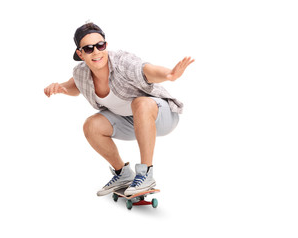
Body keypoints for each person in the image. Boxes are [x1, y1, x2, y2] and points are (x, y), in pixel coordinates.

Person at [44, 22, 194, 196]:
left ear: (105, 45)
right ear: (80, 53)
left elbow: (145, 70)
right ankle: (122, 174)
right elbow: (74, 86)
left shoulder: (122, 62)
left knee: (140, 103)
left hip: (162, 116)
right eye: (89, 48)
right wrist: (59, 88)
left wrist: (169, 75)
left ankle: (146, 174)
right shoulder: (81, 73)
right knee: (91, 125)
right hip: (132, 123)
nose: (97, 52)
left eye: (101, 45)